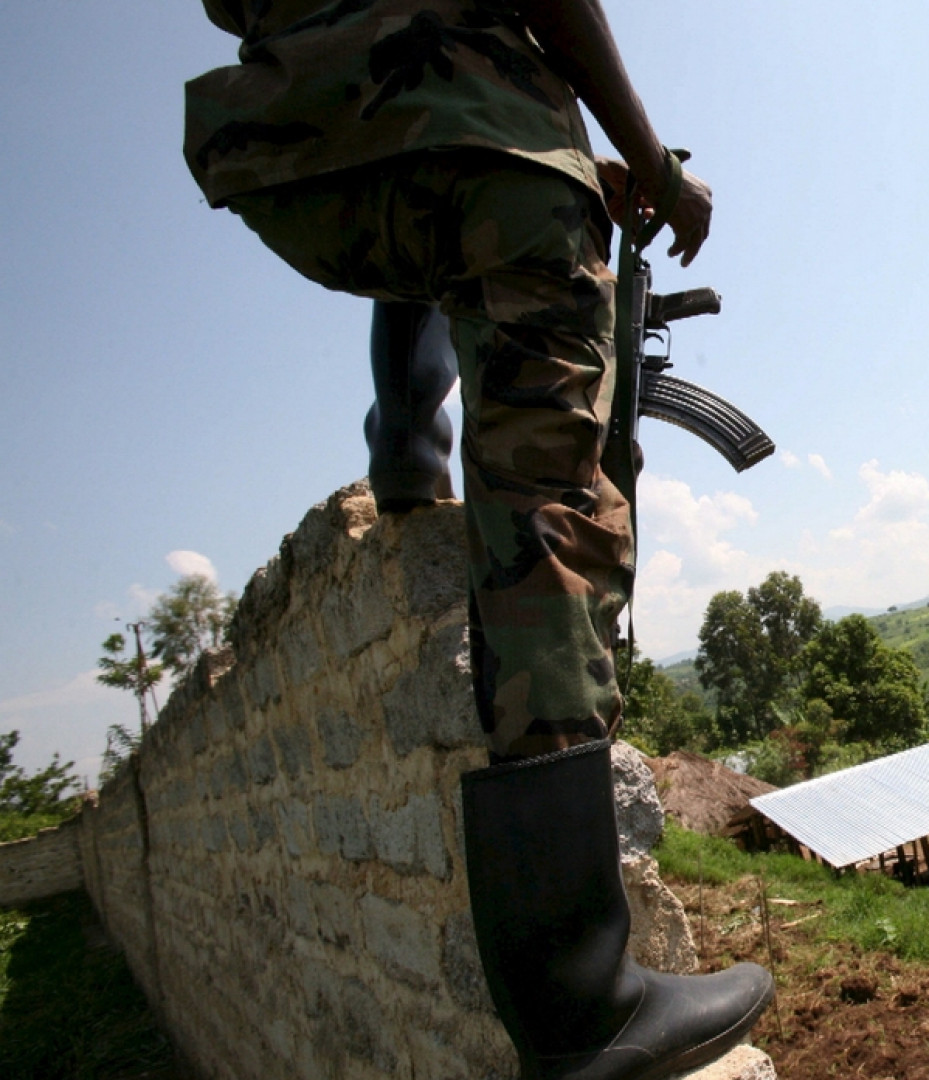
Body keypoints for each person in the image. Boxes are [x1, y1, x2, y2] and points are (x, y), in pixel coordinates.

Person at [183, 3, 773, 1078]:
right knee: (547, 534)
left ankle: (408, 446)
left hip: (303, 153)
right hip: (475, 150)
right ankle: (583, 1002)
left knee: (451, 212)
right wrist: (648, 165)